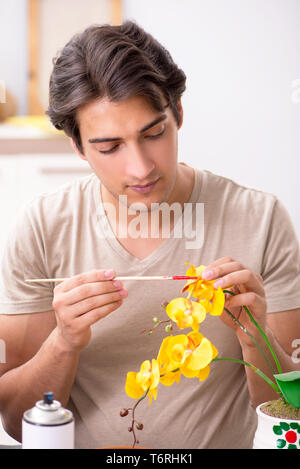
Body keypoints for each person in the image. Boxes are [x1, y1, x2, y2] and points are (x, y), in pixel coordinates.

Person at [0, 21, 299, 450]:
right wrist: (63, 343)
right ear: (78, 146)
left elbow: (289, 418)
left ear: (178, 112)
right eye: (109, 147)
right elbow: (15, 422)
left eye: (153, 133)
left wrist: (255, 338)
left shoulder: (262, 219)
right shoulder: (41, 229)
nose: (140, 168)